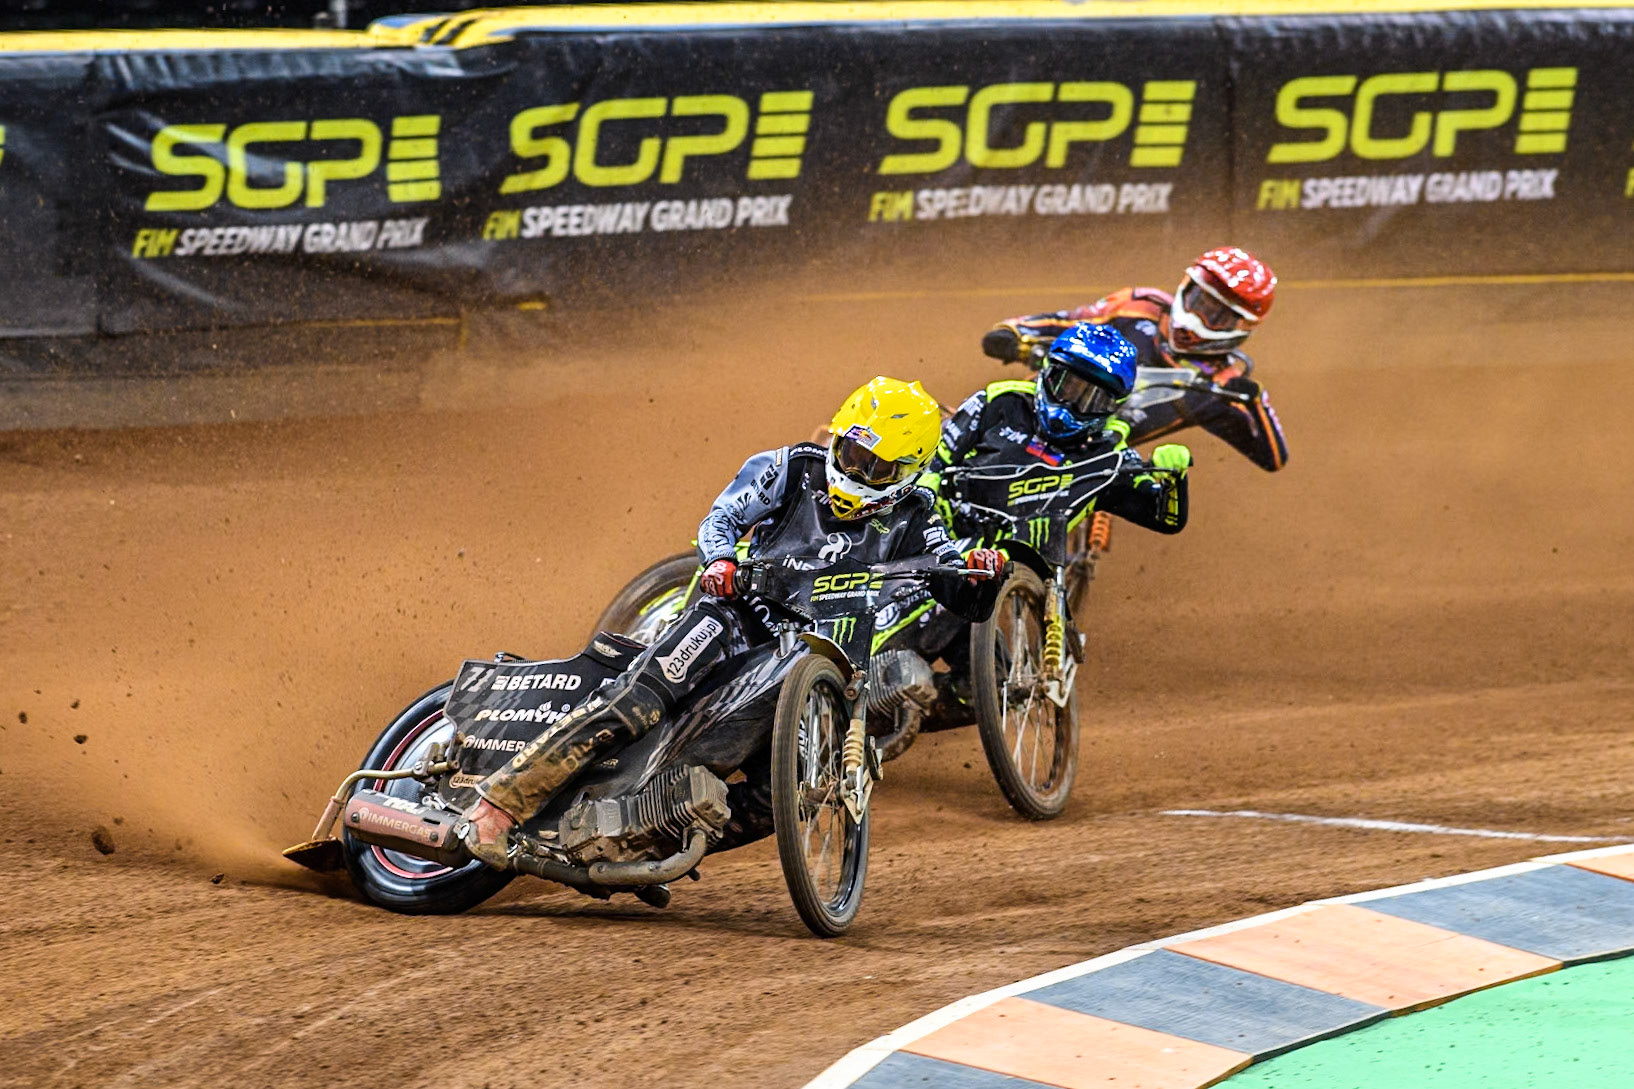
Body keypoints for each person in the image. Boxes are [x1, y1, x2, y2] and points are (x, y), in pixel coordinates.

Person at [458, 376, 1004, 865]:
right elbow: (722, 517)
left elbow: (958, 583)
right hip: (734, 621)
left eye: (874, 466)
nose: (854, 470)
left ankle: (652, 840)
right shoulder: (793, 467)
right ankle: (499, 806)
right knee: (638, 701)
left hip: (814, 671)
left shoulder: (919, 515)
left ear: (910, 473)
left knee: (788, 798)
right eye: (850, 450)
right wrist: (720, 560)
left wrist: (985, 573)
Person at [979, 247, 1288, 472]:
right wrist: (1017, 334)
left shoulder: (1222, 384)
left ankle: (1076, 559)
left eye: (1217, 315)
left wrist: (1255, 401)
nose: (1200, 316)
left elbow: (1273, 457)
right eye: (1199, 300)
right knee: (969, 425)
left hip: (1096, 462)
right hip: (1030, 412)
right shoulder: (1140, 306)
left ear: (1241, 326)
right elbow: (1071, 321)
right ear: (1186, 288)